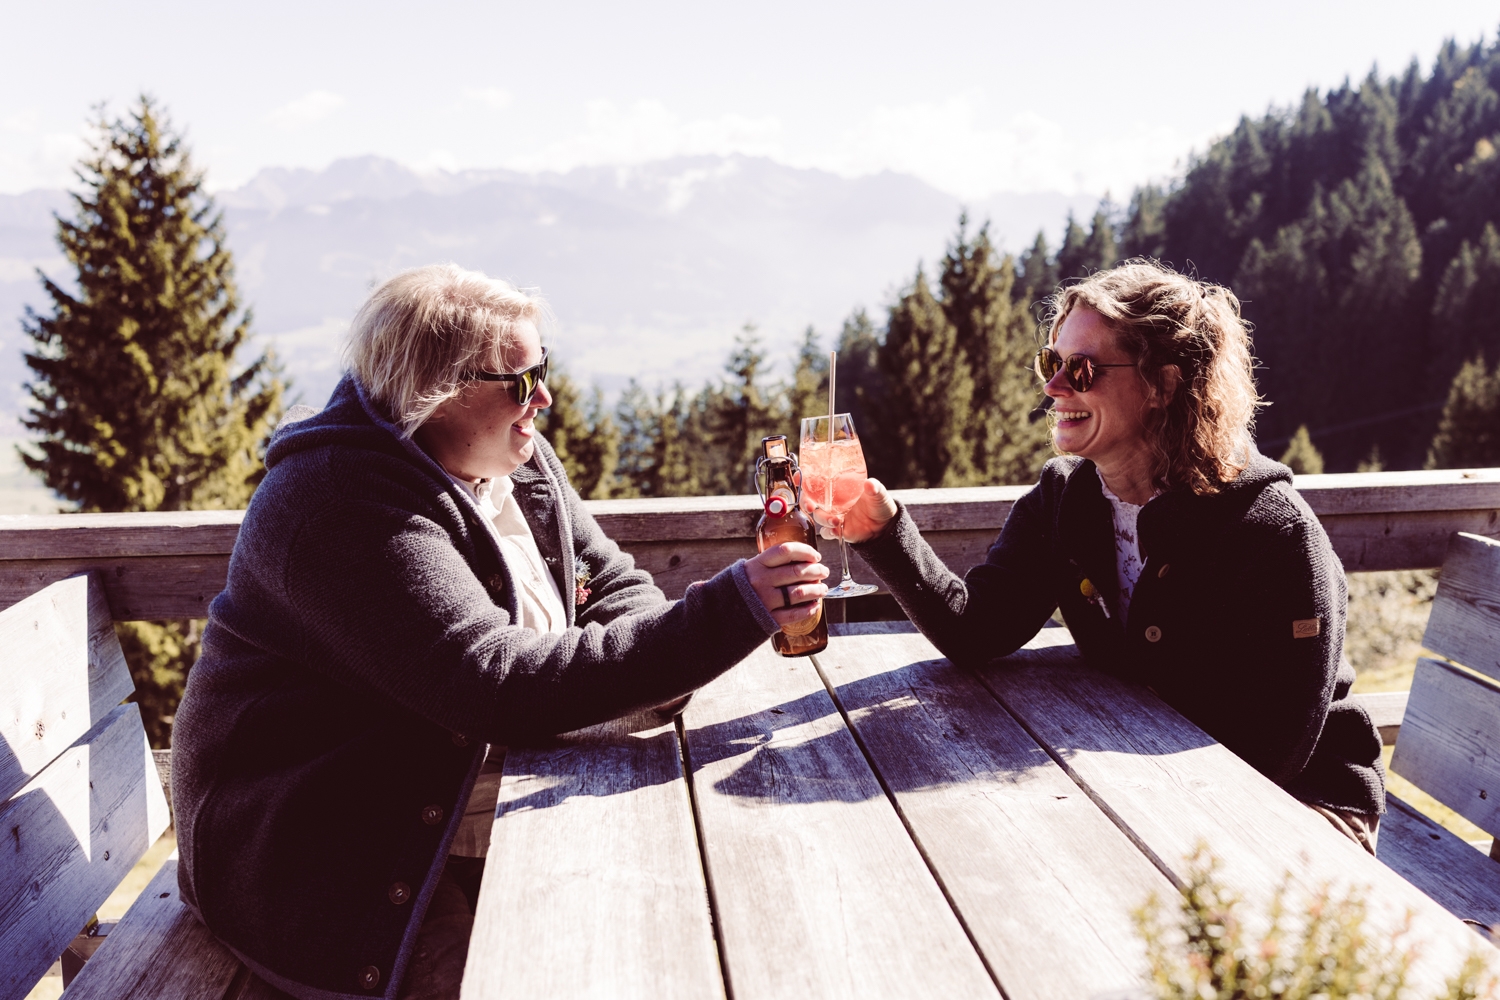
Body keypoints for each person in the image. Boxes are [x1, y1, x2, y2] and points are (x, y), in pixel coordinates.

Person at [170, 264, 828, 1000]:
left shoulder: (516, 461)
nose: (542, 398)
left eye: (541, 370)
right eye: (517, 382)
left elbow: (614, 585)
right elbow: (495, 684)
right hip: (328, 853)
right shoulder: (340, 504)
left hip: (470, 808)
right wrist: (728, 611)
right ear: (436, 391)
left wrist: (663, 668)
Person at [841, 260, 1385, 854]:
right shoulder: (1067, 499)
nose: (1054, 388)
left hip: (1298, 804)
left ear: (1163, 384)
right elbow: (979, 627)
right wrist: (883, 532)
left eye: (1082, 369)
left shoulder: (1270, 533)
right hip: (1146, 778)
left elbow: (1274, 751)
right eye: (1052, 363)